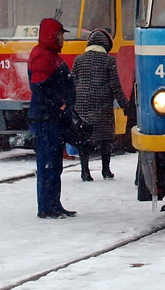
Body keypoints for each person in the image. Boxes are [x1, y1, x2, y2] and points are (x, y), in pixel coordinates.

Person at [28, 17, 77, 218]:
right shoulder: (43, 57)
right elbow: (41, 87)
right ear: (52, 35)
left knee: (53, 164)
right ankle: (47, 206)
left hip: (51, 118)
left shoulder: (48, 55)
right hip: (47, 119)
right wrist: (60, 103)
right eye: (60, 35)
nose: (62, 39)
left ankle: (53, 203)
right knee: (49, 164)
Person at [72, 28, 130, 181]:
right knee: (105, 139)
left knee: (83, 138)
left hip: (82, 103)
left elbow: (72, 82)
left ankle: (85, 171)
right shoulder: (109, 61)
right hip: (102, 104)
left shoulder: (79, 59)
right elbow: (115, 86)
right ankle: (106, 170)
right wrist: (126, 106)